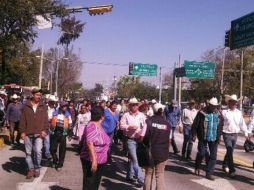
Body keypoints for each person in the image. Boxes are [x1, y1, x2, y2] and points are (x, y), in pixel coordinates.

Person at [19, 88, 48, 179]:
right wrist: (22, 132)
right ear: (32, 95)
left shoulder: (43, 106)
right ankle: (30, 169)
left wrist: (45, 130)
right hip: (28, 133)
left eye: (40, 95)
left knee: (38, 151)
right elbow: (22, 120)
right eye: (37, 95)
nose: (38, 97)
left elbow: (46, 121)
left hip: (39, 133)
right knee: (28, 153)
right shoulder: (26, 106)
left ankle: (37, 168)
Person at [192, 97, 223, 180]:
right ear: (209, 105)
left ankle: (209, 173)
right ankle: (197, 166)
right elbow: (195, 124)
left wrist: (219, 136)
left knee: (213, 156)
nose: (214, 107)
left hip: (214, 137)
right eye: (212, 105)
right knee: (202, 153)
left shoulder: (219, 114)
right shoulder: (202, 112)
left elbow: (220, 126)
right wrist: (194, 134)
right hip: (203, 136)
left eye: (215, 106)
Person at [79, 106, 110, 190]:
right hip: (91, 159)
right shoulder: (92, 126)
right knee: (89, 184)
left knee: (95, 184)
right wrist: (94, 160)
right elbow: (90, 143)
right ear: (102, 116)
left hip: (101, 159)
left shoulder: (99, 125)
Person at [142, 103, 171, 190]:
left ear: (153, 111)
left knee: (148, 174)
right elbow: (169, 140)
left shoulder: (148, 121)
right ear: (162, 111)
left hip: (150, 152)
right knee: (160, 175)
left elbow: (143, 136)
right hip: (162, 153)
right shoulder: (167, 124)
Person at [222, 94, 251, 177]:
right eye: (233, 102)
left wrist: (246, 133)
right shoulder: (224, 112)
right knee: (230, 150)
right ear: (229, 102)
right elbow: (220, 124)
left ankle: (224, 164)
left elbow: (242, 124)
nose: (235, 104)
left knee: (230, 151)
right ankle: (232, 170)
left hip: (235, 134)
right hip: (226, 133)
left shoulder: (238, 113)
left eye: (236, 102)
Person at [120, 97, 147, 187]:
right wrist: (129, 127)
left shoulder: (142, 115)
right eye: (133, 105)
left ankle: (129, 175)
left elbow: (145, 126)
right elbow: (121, 126)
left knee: (133, 159)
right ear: (130, 106)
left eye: (136, 105)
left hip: (139, 140)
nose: (135, 106)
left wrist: (142, 132)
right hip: (130, 140)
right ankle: (141, 179)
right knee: (135, 160)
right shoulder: (126, 115)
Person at [50, 101, 72, 171]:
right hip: (55, 132)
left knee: (62, 149)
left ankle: (60, 164)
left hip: (63, 133)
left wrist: (70, 134)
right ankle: (55, 159)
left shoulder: (68, 115)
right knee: (52, 148)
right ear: (61, 107)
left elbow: (70, 124)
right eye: (64, 106)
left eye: (66, 106)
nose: (65, 108)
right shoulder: (54, 113)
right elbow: (49, 120)